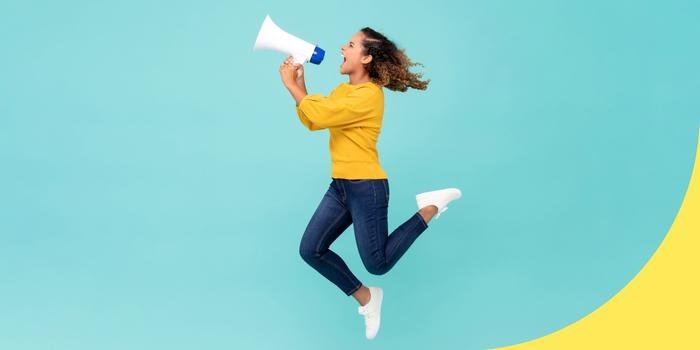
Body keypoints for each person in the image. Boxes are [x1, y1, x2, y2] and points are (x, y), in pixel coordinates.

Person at [279, 27, 462, 340]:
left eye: (350, 45)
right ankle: (366, 297)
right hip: (341, 187)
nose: (342, 47)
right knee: (311, 249)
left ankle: (429, 208)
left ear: (365, 57)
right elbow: (314, 119)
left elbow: (320, 115)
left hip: (367, 188)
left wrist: (291, 87)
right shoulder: (341, 92)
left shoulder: (369, 96)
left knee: (378, 264)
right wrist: (299, 86)